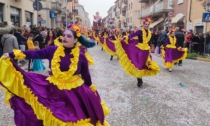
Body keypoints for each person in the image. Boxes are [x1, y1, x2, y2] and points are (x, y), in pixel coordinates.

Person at [0, 24, 110, 126]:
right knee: (53, 114)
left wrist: (91, 91)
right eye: (64, 35)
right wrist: (12, 54)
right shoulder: (53, 50)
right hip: (54, 90)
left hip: (74, 93)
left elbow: (86, 75)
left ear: (76, 40)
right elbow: (35, 53)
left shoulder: (80, 56)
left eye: (69, 36)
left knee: (73, 119)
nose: (65, 38)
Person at [115, 18, 160, 87]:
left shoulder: (150, 33)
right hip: (139, 50)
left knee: (144, 65)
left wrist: (151, 47)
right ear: (143, 24)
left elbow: (149, 41)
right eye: (146, 24)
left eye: (148, 24)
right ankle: (139, 80)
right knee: (138, 65)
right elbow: (131, 36)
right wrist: (123, 38)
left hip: (146, 51)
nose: (147, 25)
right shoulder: (139, 31)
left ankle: (140, 78)